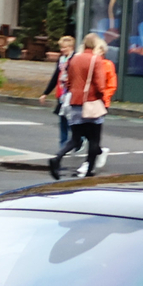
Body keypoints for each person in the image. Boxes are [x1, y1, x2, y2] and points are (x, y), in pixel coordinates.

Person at [49, 33, 116, 178]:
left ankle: (57, 157)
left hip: (74, 103)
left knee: (75, 138)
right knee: (94, 139)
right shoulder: (95, 60)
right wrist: (102, 98)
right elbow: (99, 84)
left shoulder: (74, 59)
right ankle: (89, 170)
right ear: (95, 45)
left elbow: (68, 81)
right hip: (91, 103)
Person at [41, 33, 77, 157]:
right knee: (62, 120)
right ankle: (63, 147)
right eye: (61, 48)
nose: (62, 50)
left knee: (72, 120)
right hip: (61, 93)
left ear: (71, 47)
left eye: (65, 48)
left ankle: (78, 140)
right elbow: (56, 75)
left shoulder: (75, 59)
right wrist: (45, 93)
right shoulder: (61, 60)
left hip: (71, 94)